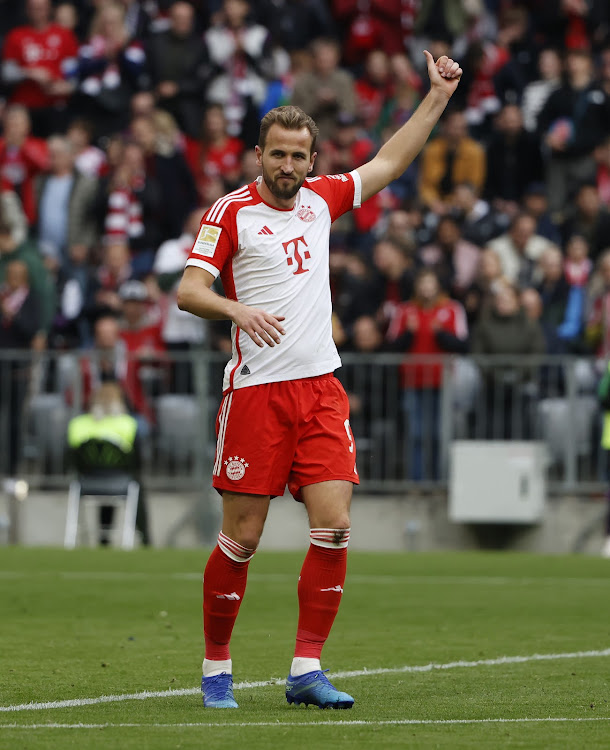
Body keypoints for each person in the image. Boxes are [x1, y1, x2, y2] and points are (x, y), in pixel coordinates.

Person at [177, 51, 462, 710]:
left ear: (312, 158)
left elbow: (389, 163)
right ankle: (216, 667)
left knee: (333, 529)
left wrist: (436, 97)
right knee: (241, 539)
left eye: (299, 156)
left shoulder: (322, 200)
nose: (288, 166)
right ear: (258, 155)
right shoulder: (231, 213)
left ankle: (307, 669)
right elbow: (190, 291)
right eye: (277, 154)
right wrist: (237, 307)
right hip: (256, 393)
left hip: (320, 390)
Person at [66, 381, 150, 547]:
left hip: (86, 481)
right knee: (136, 485)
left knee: (114, 478)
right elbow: (136, 459)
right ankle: (146, 537)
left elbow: (69, 457)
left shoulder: (78, 424)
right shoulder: (128, 424)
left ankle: (104, 539)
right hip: (120, 481)